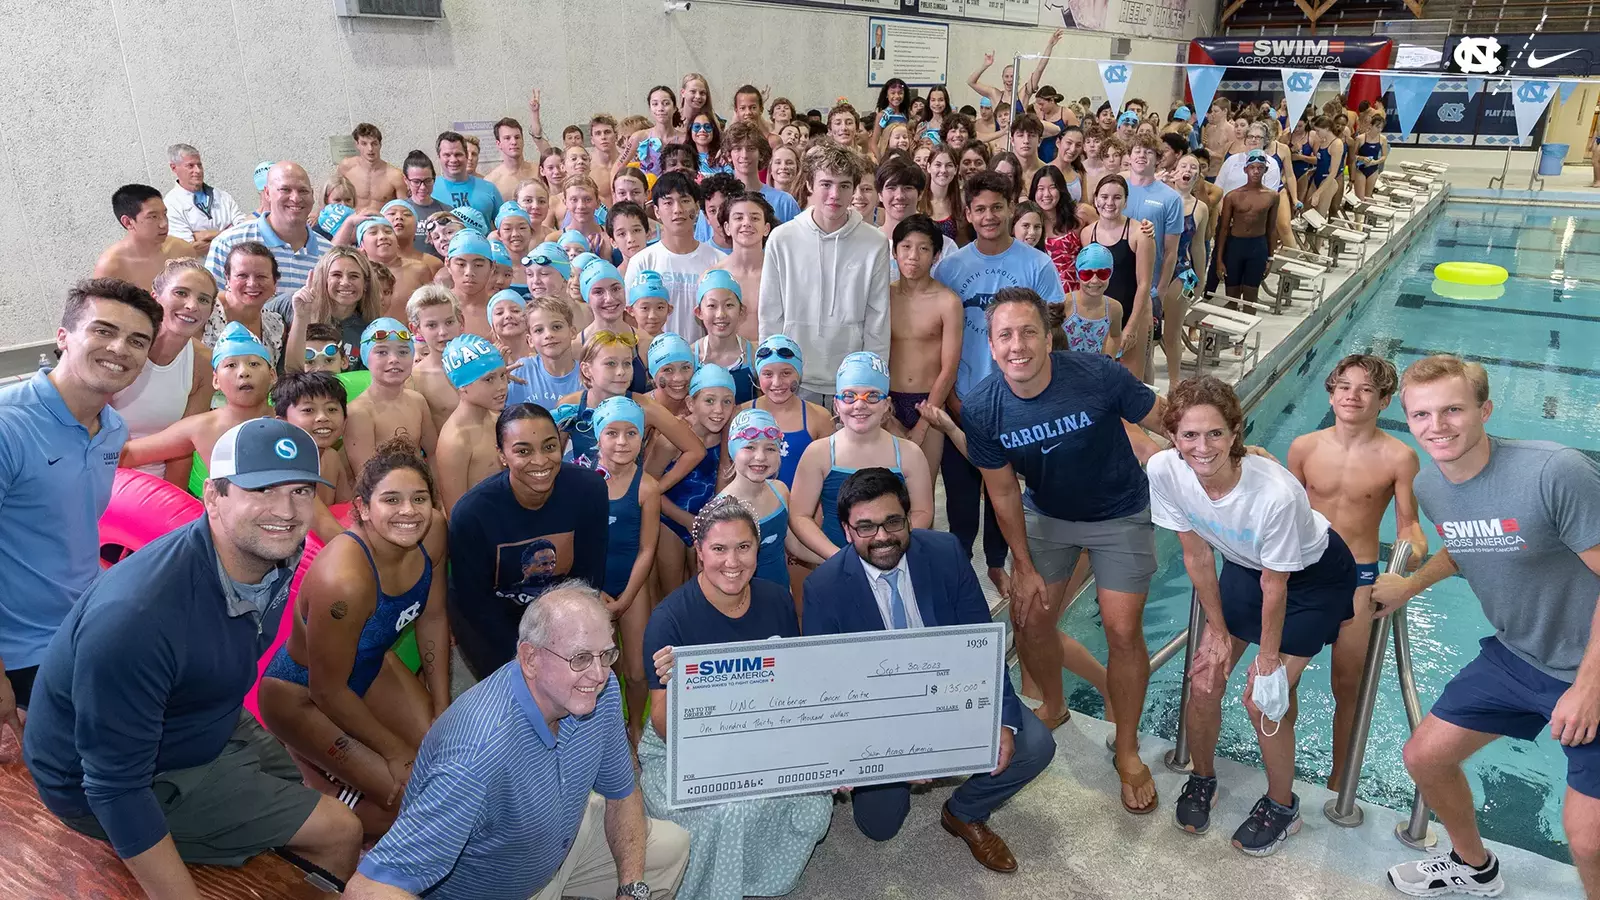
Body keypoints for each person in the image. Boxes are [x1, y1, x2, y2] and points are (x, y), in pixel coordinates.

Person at [23, 419, 363, 894]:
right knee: (340, 829)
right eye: (262, 489)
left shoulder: (276, 553)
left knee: (296, 786)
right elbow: (114, 788)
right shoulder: (137, 618)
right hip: (97, 781)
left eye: (301, 490)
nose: (286, 511)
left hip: (195, 714)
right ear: (212, 496)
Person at [1373, 356, 1600, 896]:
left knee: (1588, 838)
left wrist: (1590, 687)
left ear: (1485, 410)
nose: (1438, 426)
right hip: (1516, 657)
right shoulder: (1432, 487)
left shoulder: (1554, 471)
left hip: (1589, 664)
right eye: (1423, 414)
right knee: (1424, 757)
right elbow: (1470, 541)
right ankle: (1474, 866)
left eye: (1453, 409)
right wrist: (1410, 585)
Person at [343, 582, 690, 899]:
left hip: (557, 841)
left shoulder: (600, 692)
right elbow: (370, 888)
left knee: (672, 847)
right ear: (530, 658)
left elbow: (622, 795)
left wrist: (631, 888)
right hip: (497, 889)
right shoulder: (478, 754)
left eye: (606, 655)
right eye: (580, 658)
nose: (599, 675)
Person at [965, 288, 1165, 814]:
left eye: (1028, 331)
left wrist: (1227, 452)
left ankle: (1126, 748)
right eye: (1005, 334)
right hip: (1049, 516)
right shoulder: (984, 408)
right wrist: (1023, 566)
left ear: (1048, 337)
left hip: (1119, 511)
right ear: (990, 345)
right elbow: (1003, 490)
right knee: (1029, 618)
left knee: (1122, 631)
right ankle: (1053, 704)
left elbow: (1167, 418)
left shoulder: (1098, 375)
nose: (1018, 345)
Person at [803, 468, 1056, 871]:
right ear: (847, 532)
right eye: (865, 527)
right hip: (879, 713)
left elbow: (981, 642)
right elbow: (827, 685)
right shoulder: (823, 588)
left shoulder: (946, 552)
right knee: (880, 826)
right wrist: (891, 754)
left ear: (909, 517)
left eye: (892, 521)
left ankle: (964, 811)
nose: (882, 536)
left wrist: (1003, 721)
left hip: (950, 694)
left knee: (1034, 745)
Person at [1150, 376, 1356, 855]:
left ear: (1236, 432)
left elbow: (1276, 583)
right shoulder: (1165, 471)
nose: (1203, 447)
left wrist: (1266, 660)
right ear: (1173, 437)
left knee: (1264, 699)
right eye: (1190, 436)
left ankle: (1283, 807)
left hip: (1312, 579)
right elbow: (1197, 557)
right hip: (1246, 567)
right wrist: (1217, 634)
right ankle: (1203, 778)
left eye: (1215, 434)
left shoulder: (1275, 494)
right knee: (1204, 677)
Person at [640, 497, 831, 898]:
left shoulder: (777, 599)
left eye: (743, 547)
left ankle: (760, 877)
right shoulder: (668, 620)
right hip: (687, 746)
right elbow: (663, 725)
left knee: (814, 793)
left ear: (757, 551)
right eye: (719, 548)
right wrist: (684, 693)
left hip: (762, 730)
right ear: (700, 553)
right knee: (731, 811)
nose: (732, 561)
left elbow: (791, 684)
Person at [258, 441, 451, 835]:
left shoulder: (432, 534)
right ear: (362, 507)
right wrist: (393, 752)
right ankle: (309, 783)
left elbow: (433, 617)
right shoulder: (344, 581)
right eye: (392, 500)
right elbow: (326, 690)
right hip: (301, 696)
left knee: (445, 756)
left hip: (369, 666)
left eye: (419, 498)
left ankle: (321, 761)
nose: (409, 512)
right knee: (405, 799)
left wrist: (443, 710)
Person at [0, 280, 157, 727]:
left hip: (87, 625)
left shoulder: (113, 429)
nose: (120, 348)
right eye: (103, 330)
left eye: (137, 340)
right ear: (64, 336)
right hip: (21, 654)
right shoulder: (8, 425)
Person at [1285, 355, 1427, 793]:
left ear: (1384, 400)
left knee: (1348, 688)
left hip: (1359, 581)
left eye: (1366, 389)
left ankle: (1337, 782)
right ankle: (1281, 770)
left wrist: (1411, 556)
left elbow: (1409, 524)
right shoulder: (1304, 447)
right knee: (1280, 679)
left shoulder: (1399, 457)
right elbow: (1282, 511)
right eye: (1344, 385)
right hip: (1304, 575)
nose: (1352, 395)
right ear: (1330, 392)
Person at [934, 171, 1064, 594]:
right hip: (966, 399)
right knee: (961, 493)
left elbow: (1053, 334)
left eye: (997, 207)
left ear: (1012, 208)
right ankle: (957, 567)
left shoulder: (1036, 264)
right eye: (980, 209)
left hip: (1017, 401)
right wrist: (951, 394)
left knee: (1003, 492)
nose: (989, 216)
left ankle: (995, 562)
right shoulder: (952, 268)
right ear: (967, 214)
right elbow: (941, 339)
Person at [447, 404, 610, 680]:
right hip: (492, 621)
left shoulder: (588, 491)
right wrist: (524, 658)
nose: (541, 460)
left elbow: (589, 578)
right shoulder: (473, 514)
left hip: (559, 614)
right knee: (520, 694)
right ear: (502, 455)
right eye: (523, 451)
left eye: (549, 447)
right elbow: (475, 604)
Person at [759, 144, 891, 406]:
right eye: (826, 184)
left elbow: (878, 320)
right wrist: (774, 375)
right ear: (809, 184)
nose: (834, 194)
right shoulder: (782, 238)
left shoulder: (875, 242)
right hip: (793, 380)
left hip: (851, 385)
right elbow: (770, 315)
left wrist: (872, 380)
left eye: (844, 185)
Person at [790, 352, 933, 559]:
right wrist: (837, 557)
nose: (859, 405)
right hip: (836, 559)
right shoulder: (818, 454)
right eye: (849, 396)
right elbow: (799, 515)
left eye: (872, 396)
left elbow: (922, 512)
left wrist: (890, 546)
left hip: (893, 558)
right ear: (837, 404)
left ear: (886, 404)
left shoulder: (909, 454)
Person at [120, 321, 276, 478]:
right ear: (216, 381)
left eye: (254, 364)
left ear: (272, 375)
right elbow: (125, 455)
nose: (243, 372)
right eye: (231, 365)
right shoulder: (201, 427)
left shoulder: (289, 417)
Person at [590, 396, 660, 744]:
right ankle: (609, 724)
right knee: (602, 664)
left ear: (642, 438)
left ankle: (635, 726)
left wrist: (626, 598)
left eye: (631, 433)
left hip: (633, 586)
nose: (621, 442)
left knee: (636, 669)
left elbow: (648, 549)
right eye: (612, 433)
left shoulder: (646, 487)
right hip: (592, 586)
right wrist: (592, 590)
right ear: (597, 437)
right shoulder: (583, 482)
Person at [111, 259, 216, 484]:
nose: (192, 305)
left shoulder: (204, 361)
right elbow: (96, 444)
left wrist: (173, 508)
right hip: (106, 478)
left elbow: (184, 448)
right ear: (155, 297)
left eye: (203, 299)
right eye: (181, 293)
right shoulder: (120, 348)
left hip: (159, 487)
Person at [888, 215, 961, 476]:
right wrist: (882, 408)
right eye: (906, 247)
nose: (913, 256)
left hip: (928, 404)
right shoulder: (884, 296)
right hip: (887, 404)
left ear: (936, 255)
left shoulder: (947, 302)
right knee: (885, 489)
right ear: (895, 252)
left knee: (922, 490)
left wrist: (923, 423)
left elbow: (949, 369)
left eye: (923, 248)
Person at [629, 172, 726, 341]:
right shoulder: (642, 261)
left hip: (704, 359)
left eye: (685, 200)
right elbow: (630, 318)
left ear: (696, 208)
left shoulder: (718, 261)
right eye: (668, 202)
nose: (677, 209)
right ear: (657, 211)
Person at [205, 162, 329, 293]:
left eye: (303, 191)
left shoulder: (328, 252)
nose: (296, 198)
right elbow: (209, 303)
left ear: (313, 195)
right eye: (285, 190)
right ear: (267, 193)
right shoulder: (229, 243)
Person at [1122, 134, 1184, 379]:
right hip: (1116, 283)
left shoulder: (1170, 198)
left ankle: (1147, 411)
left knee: (1144, 354)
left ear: (1158, 159)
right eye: (1137, 150)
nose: (1141, 155)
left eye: (1148, 152)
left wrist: (1160, 289)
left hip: (1148, 287)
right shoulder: (1117, 188)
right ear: (1129, 155)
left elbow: (1171, 252)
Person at [434, 334, 510, 514]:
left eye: (502, 375)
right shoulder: (456, 440)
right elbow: (456, 514)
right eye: (489, 379)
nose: (501, 386)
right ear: (462, 386)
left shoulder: (498, 419)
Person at [747, 334, 834, 488]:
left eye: (786, 373)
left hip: (801, 509)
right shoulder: (742, 414)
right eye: (767, 374)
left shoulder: (820, 418)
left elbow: (828, 478)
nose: (777, 382)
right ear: (758, 376)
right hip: (751, 510)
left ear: (799, 374)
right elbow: (726, 470)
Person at [95, 183, 199, 290]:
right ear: (128, 222)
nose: (164, 224)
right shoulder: (110, 267)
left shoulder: (182, 250)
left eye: (164, 214)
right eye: (153, 217)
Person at [1215, 150, 1280, 310]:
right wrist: (1219, 260)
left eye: (1260, 168)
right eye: (1252, 167)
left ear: (1265, 170)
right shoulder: (1232, 196)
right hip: (1235, 247)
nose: (1256, 171)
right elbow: (1223, 230)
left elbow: (1271, 228)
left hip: (1258, 247)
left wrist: (1270, 258)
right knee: (1232, 298)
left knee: (1251, 300)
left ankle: (1245, 335)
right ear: (1245, 170)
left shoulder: (1272, 196)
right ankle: (1229, 332)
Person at [708, 191, 773, 342]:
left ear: (766, 228)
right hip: (726, 362)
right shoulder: (713, 276)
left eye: (755, 218)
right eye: (738, 218)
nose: (746, 223)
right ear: (727, 227)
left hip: (772, 360)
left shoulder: (781, 274)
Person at [163, 144, 246, 252]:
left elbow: (244, 232)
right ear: (174, 168)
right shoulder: (171, 205)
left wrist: (208, 235)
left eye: (199, 165)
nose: (198, 170)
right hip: (201, 268)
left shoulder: (222, 196)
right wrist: (230, 233)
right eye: (190, 166)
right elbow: (189, 249)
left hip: (232, 266)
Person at [1059, 243, 1124, 357]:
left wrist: (1108, 364)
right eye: (1086, 274)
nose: (1094, 280)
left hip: (1095, 370)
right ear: (1078, 274)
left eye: (1102, 274)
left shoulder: (1114, 308)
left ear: (1111, 274)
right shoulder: (1064, 303)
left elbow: (1115, 336)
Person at [338, 123, 406, 212]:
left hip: (381, 223)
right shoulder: (347, 167)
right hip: (353, 221)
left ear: (380, 145)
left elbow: (405, 208)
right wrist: (319, 211)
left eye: (374, 143)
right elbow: (331, 192)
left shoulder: (395, 176)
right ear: (357, 144)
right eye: (364, 144)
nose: (370, 148)